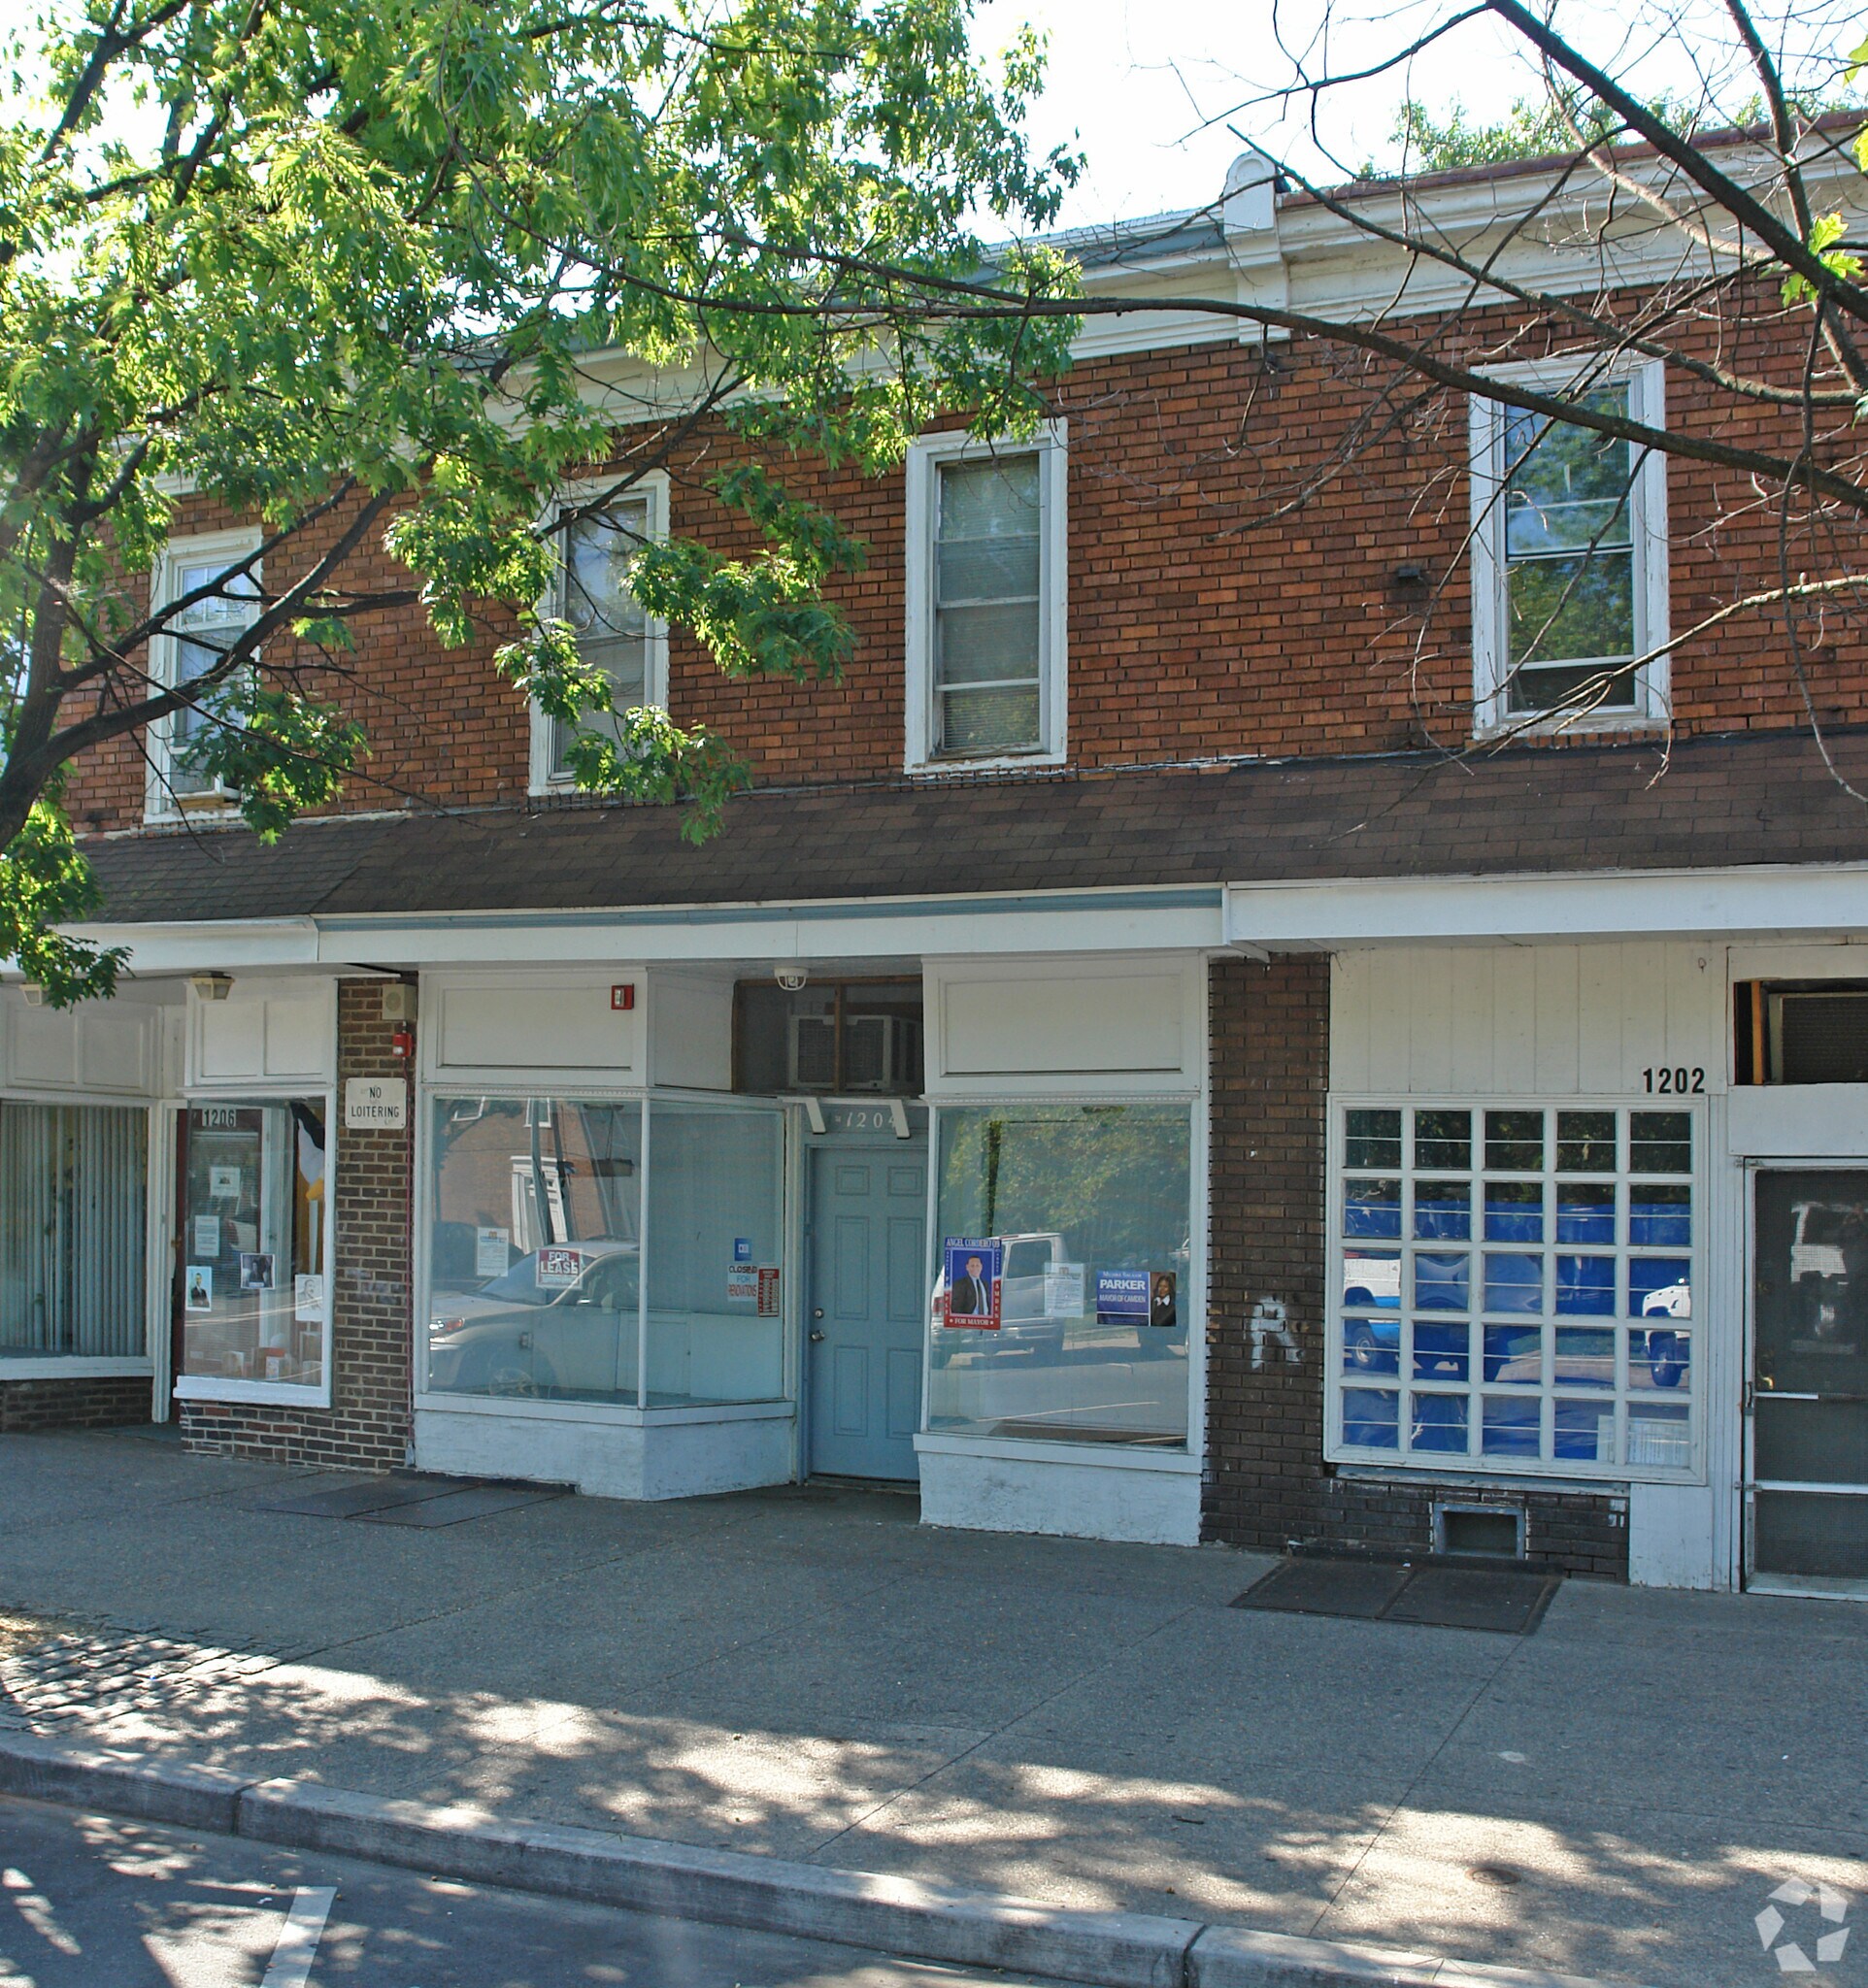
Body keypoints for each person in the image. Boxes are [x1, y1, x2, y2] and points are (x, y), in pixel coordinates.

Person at [951, 1253, 991, 1318]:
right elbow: (956, 1307)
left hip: (985, 1322)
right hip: (969, 1322)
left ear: (981, 1267)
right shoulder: (961, 1284)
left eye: (977, 1265)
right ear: (967, 1267)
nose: (975, 1268)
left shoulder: (985, 1284)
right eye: (972, 1266)